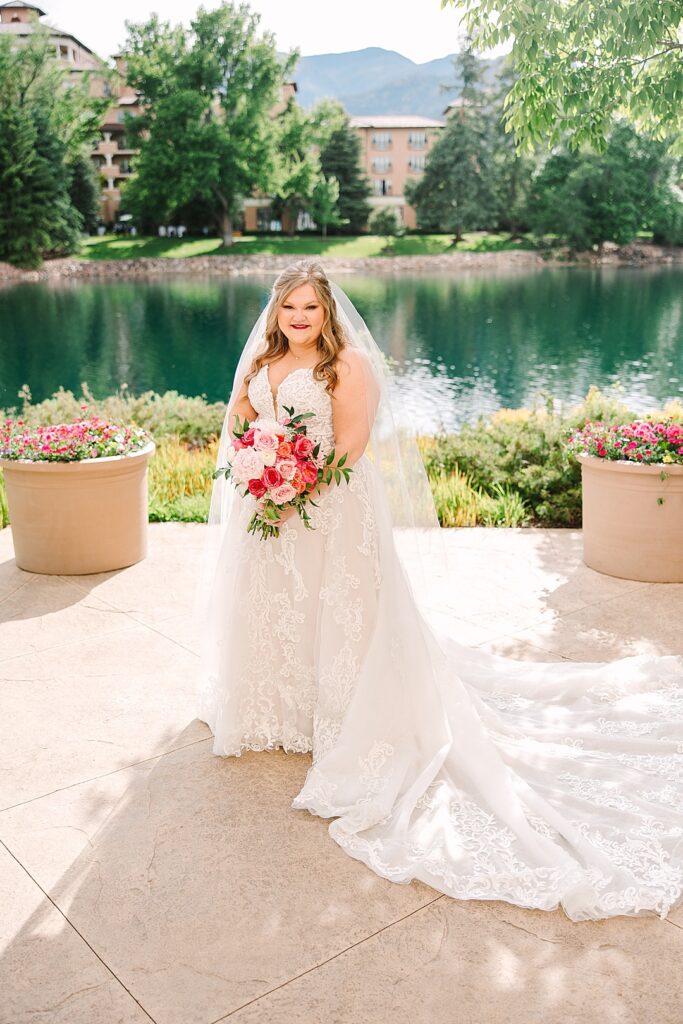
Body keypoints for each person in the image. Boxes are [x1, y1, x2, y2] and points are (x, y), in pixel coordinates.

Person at [193, 258, 683, 923]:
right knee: (280, 608)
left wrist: (293, 483)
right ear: (276, 315)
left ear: (328, 314)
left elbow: (354, 444)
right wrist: (258, 465)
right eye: (290, 309)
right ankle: (281, 708)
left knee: (343, 611)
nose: (300, 319)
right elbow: (240, 425)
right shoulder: (259, 367)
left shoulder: (348, 367)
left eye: (311, 308)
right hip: (272, 507)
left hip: (330, 505)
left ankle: (346, 713)